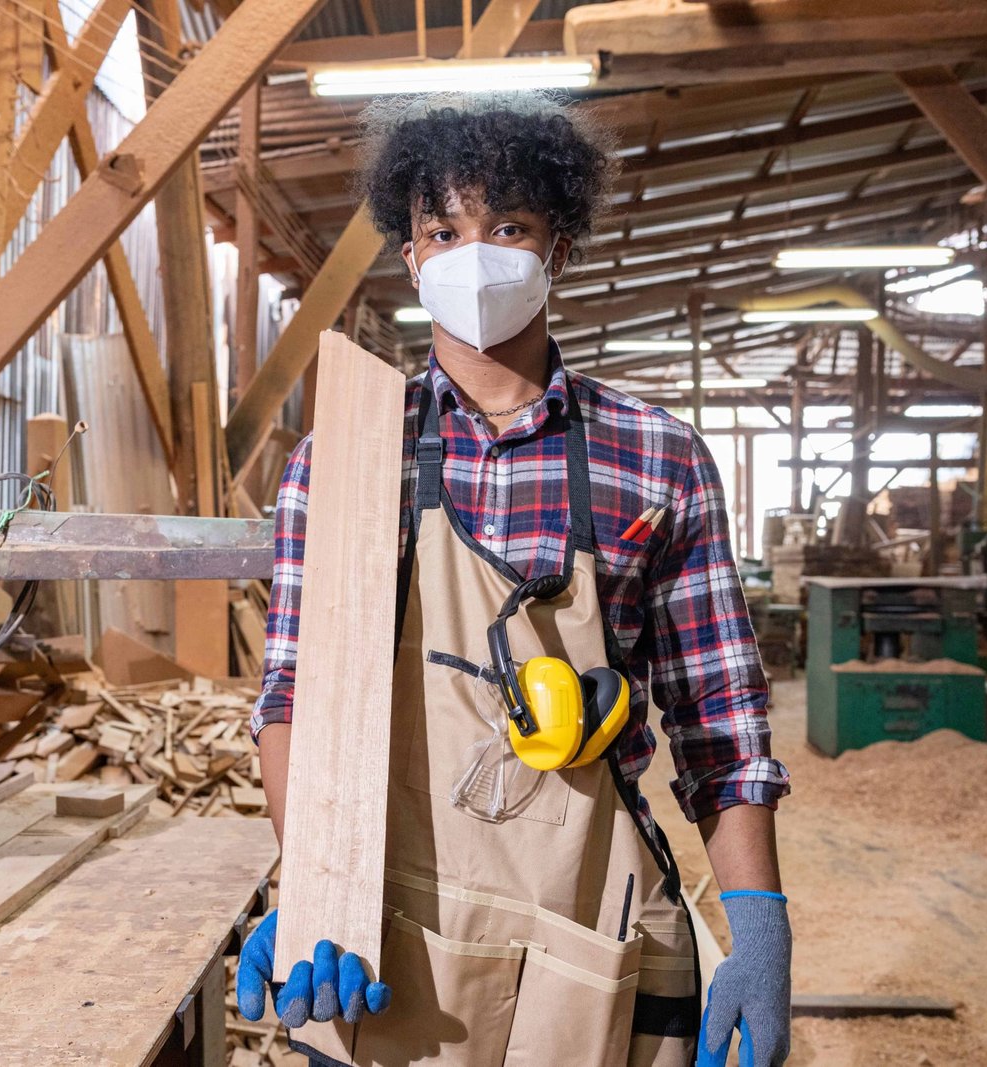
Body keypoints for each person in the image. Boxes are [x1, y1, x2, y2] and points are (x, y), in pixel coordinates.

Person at [238, 94, 791, 1067]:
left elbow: (719, 721)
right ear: (409, 259)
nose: (472, 254)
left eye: (506, 227)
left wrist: (758, 920)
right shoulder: (351, 456)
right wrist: (313, 890)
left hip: (594, 930)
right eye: (441, 230)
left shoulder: (655, 456)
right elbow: (294, 697)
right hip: (386, 934)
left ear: (557, 251)